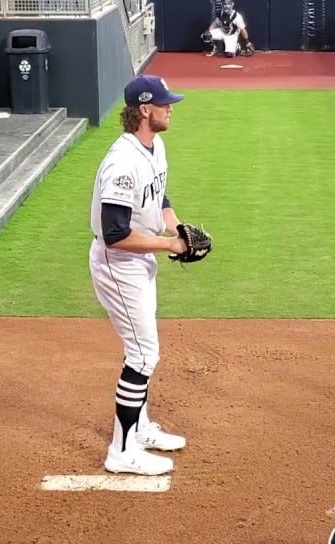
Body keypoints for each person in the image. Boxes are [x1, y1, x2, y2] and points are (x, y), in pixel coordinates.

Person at [88, 75, 191, 476]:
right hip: (119, 266)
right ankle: (122, 450)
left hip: (140, 258)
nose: (171, 108)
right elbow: (114, 235)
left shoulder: (155, 146)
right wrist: (169, 246)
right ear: (145, 110)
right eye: (165, 103)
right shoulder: (122, 163)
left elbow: (160, 196)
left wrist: (175, 228)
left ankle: (141, 429)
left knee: (145, 349)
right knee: (143, 353)